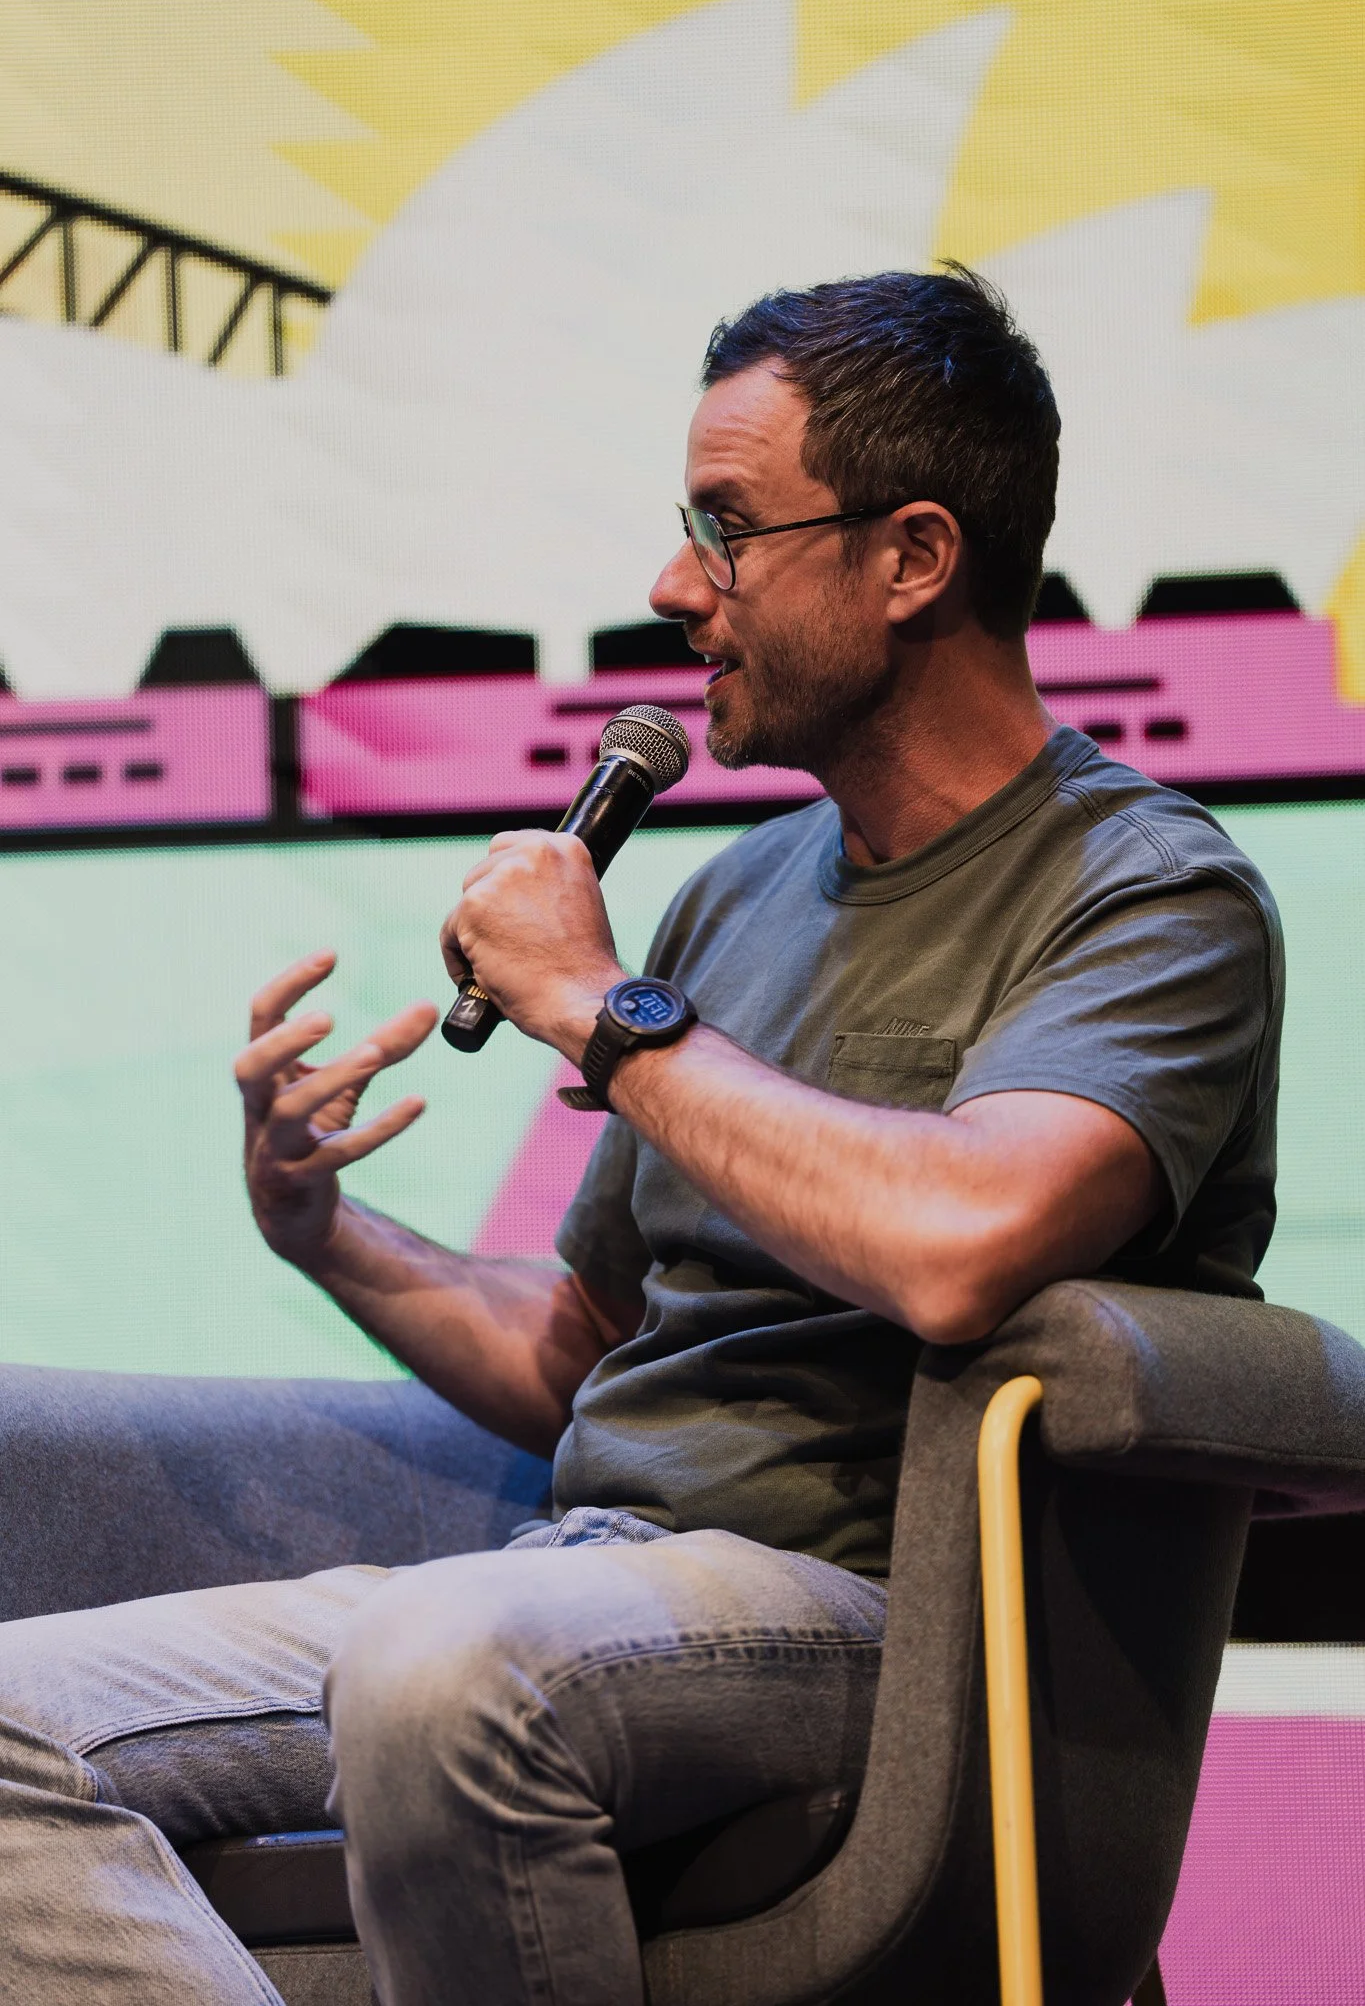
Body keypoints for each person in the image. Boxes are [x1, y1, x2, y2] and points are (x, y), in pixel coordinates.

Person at [0, 268, 1282, 2006]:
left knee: (444, 1665)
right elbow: (585, 1349)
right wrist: (327, 1233)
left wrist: (606, 1008)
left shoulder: (1151, 897)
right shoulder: (737, 894)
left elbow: (965, 1245)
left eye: (727, 530)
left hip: (890, 1626)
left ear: (913, 558)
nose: (677, 587)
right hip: (589, 1587)